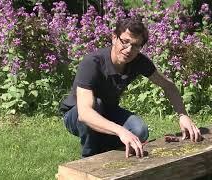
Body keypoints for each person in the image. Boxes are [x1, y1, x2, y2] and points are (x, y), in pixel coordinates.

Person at [60, 17, 202, 159]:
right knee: (96, 104)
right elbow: (85, 114)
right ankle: (89, 158)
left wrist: (183, 116)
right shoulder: (92, 62)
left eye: (135, 45)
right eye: (125, 42)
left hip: (108, 110)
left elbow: (168, 86)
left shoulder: (139, 61)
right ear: (114, 38)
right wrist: (121, 131)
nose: (129, 50)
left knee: (139, 131)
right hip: (76, 114)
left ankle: (108, 148)